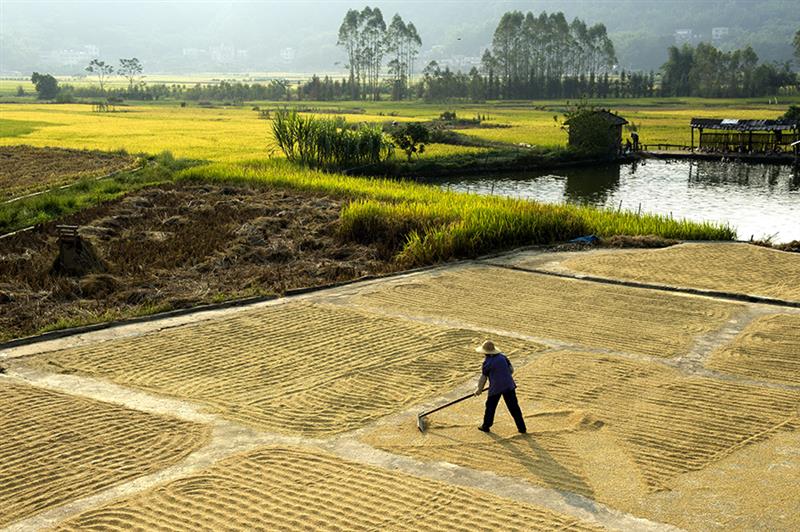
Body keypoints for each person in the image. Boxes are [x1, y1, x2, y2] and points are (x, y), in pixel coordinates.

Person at [474, 340, 526, 434]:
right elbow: (511, 370)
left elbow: (483, 377)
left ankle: (486, 426)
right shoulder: (503, 357)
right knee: (514, 407)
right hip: (509, 385)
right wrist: (503, 377)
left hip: (496, 388)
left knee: (490, 407)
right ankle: (522, 428)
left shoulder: (487, 363)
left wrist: (479, 390)